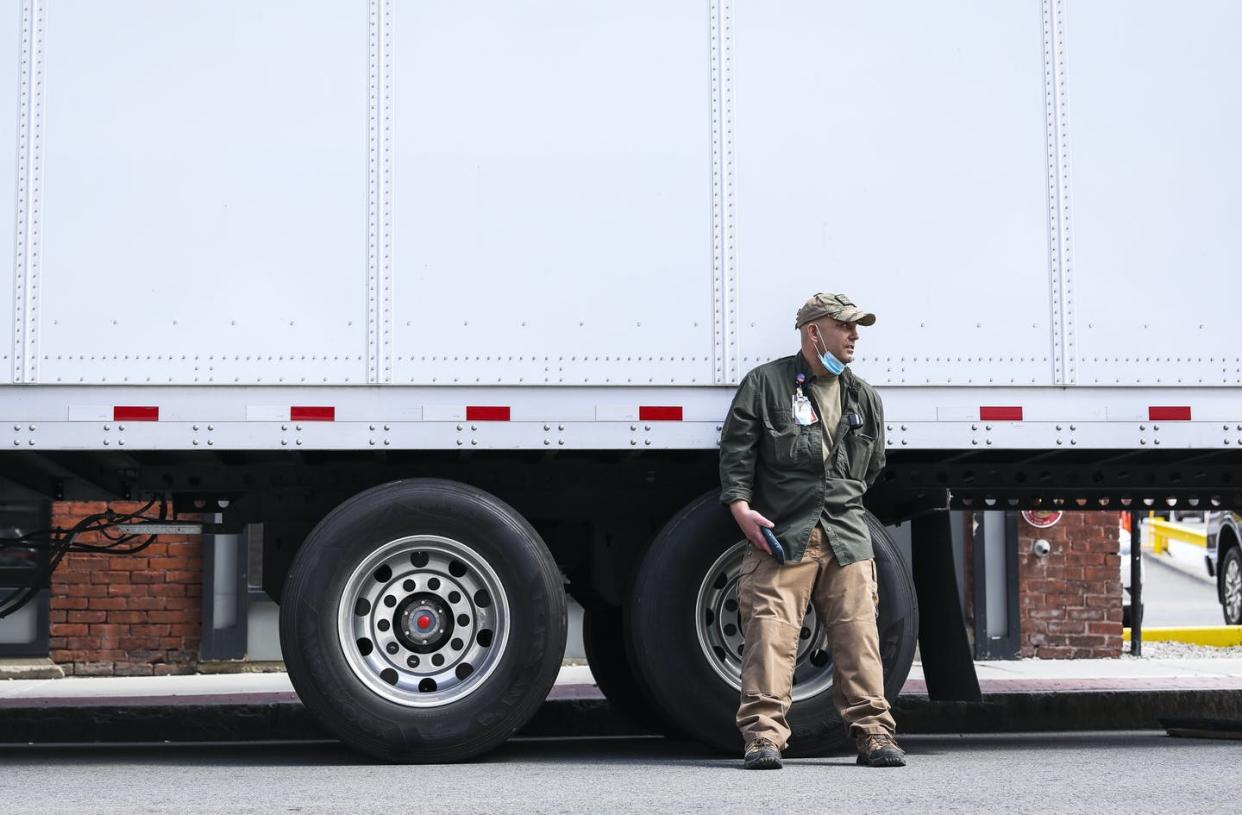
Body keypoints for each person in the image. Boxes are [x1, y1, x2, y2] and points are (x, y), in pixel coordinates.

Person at [718, 292, 905, 770]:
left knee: (859, 639)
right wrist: (740, 509)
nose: (855, 336)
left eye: (857, 328)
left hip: (846, 535)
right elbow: (738, 452)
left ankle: (874, 735)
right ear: (813, 331)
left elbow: (873, 466)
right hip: (782, 537)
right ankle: (763, 739)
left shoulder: (863, 396)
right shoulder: (765, 384)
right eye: (845, 326)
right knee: (769, 638)